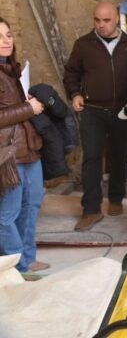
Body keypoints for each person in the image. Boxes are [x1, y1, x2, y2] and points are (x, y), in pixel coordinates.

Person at [64, 2, 127, 231]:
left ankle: (115, 198)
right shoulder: (83, 45)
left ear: (116, 19)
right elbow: (71, 74)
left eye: (106, 20)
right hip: (93, 110)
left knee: (119, 155)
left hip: (122, 111)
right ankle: (91, 210)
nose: (101, 25)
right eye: (97, 20)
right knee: (92, 159)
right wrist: (74, 94)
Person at [0, 17, 49, 273]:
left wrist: (26, 102)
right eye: (0, 37)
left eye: (8, 35)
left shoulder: (10, 68)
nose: (6, 41)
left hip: (27, 148)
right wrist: (27, 108)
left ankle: (27, 260)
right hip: (7, 154)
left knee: (31, 206)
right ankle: (13, 266)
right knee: (7, 215)